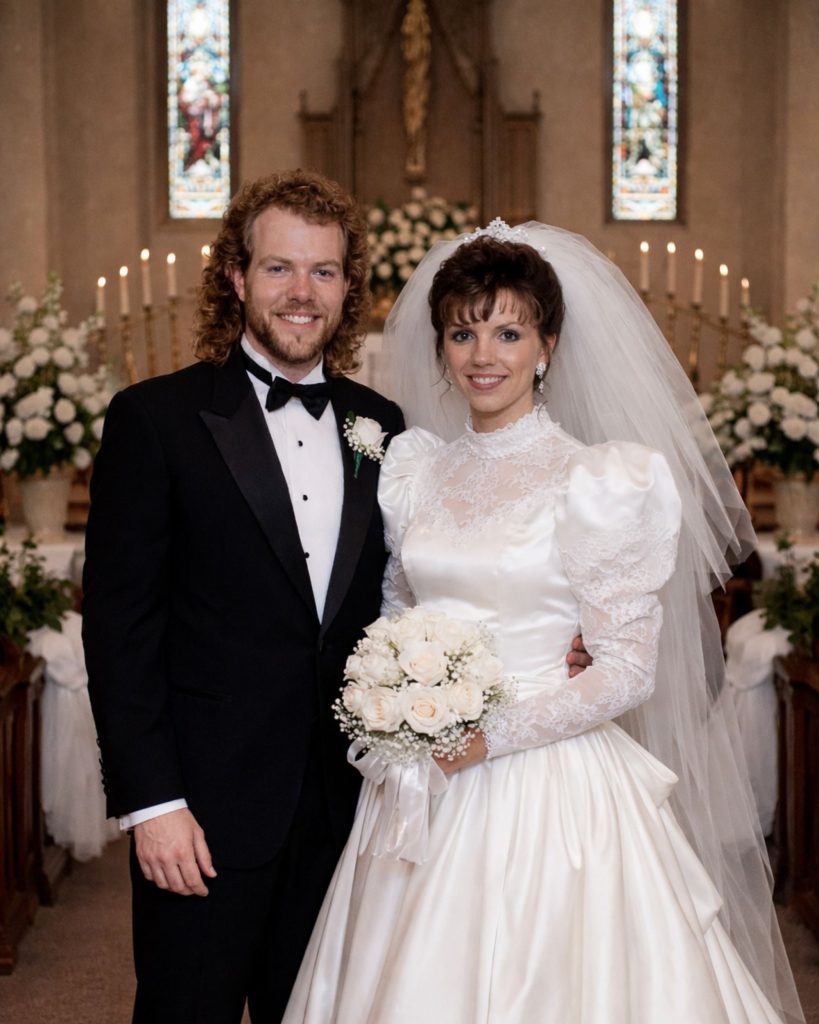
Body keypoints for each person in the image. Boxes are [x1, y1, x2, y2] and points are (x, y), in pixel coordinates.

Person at [283, 223, 805, 1023]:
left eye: (507, 332)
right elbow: (397, 612)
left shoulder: (598, 481)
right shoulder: (415, 469)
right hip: (419, 774)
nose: (482, 355)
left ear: (546, 346)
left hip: (548, 784)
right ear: (440, 348)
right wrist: (393, 699)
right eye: (462, 333)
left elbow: (626, 670)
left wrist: (485, 740)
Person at [82, 169, 407, 1023]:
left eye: (323, 271)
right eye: (279, 268)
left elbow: (413, 588)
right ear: (236, 277)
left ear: (347, 287)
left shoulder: (381, 426)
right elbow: (119, 629)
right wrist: (153, 804)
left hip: (344, 810)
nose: (302, 292)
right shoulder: (154, 420)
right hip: (203, 812)